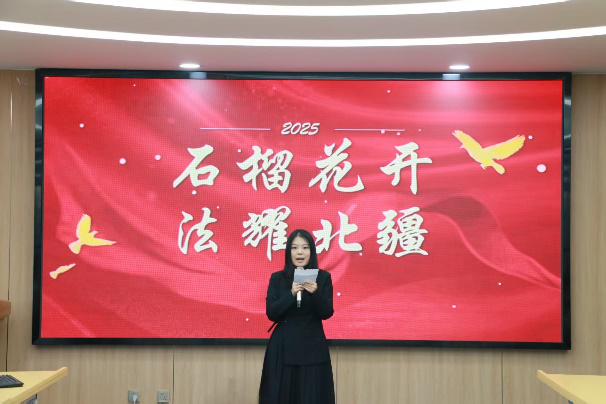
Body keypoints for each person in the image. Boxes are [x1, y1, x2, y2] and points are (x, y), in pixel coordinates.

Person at [259, 229, 335, 404]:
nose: (300, 252)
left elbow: (326, 313)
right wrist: (291, 294)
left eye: (305, 247)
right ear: (288, 252)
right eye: (294, 248)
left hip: (312, 349)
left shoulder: (323, 278)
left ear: (311, 251)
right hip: (283, 349)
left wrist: (315, 293)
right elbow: (272, 313)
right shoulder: (278, 278)